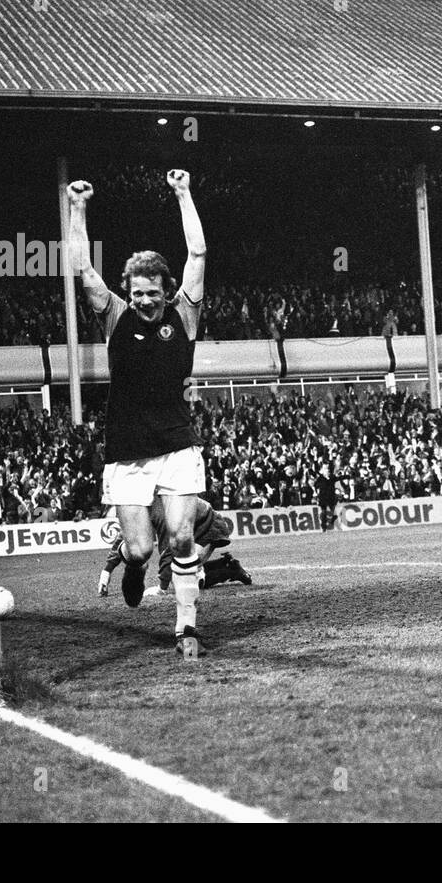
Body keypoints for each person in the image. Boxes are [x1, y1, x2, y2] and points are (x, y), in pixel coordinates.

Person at [68, 169, 210, 656]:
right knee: (144, 548)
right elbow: (83, 270)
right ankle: (130, 561)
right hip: (127, 449)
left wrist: (184, 194)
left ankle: (185, 628)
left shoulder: (183, 315)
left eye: (152, 292)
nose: (145, 300)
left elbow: (198, 254)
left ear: (165, 290)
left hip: (177, 442)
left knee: (183, 535)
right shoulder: (115, 317)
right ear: (128, 292)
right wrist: (78, 208)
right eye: (137, 292)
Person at [98, 496, 251, 598]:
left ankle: (229, 569)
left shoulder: (160, 511)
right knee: (183, 573)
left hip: (209, 525)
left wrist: (162, 589)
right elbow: (125, 537)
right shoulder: (142, 508)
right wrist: (107, 571)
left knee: (181, 570)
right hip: (193, 526)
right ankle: (224, 567)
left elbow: (168, 552)